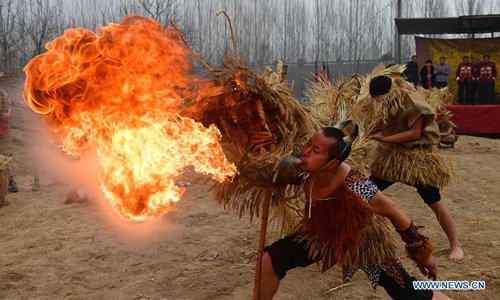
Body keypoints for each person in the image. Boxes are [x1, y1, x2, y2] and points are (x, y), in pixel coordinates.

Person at [259, 127, 450, 300]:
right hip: (322, 235)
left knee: (410, 295)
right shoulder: (303, 169)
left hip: (362, 242)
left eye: (316, 150)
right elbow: (273, 169)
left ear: (332, 164)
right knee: (270, 260)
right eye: (309, 144)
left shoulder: (356, 185)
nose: (306, 151)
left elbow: (393, 211)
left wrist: (422, 253)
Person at [368, 75, 464, 262]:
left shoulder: (412, 101)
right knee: (368, 191)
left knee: (434, 201)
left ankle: (456, 244)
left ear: (391, 92)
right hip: (395, 156)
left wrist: (384, 139)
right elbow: (384, 119)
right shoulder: (389, 98)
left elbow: (414, 133)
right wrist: (369, 131)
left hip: (418, 158)